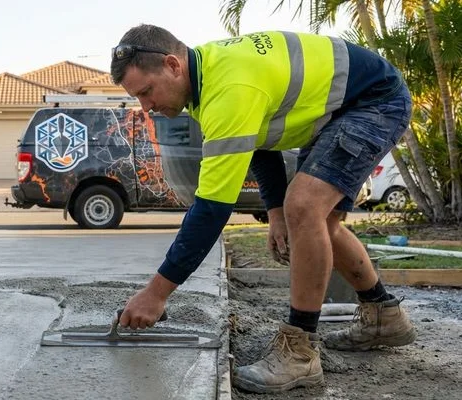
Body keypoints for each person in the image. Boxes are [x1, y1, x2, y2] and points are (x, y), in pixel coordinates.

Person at [110, 24, 416, 394]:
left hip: (374, 101)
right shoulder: (208, 75)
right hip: (340, 110)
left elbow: (210, 211)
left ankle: (299, 351)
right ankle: (383, 316)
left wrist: (156, 293)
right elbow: (261, 142)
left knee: (304, 207)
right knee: (319, 221)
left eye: (146, 92)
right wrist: (274, 213)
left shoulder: (229, 90)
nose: (146, 107)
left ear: (173, 65)